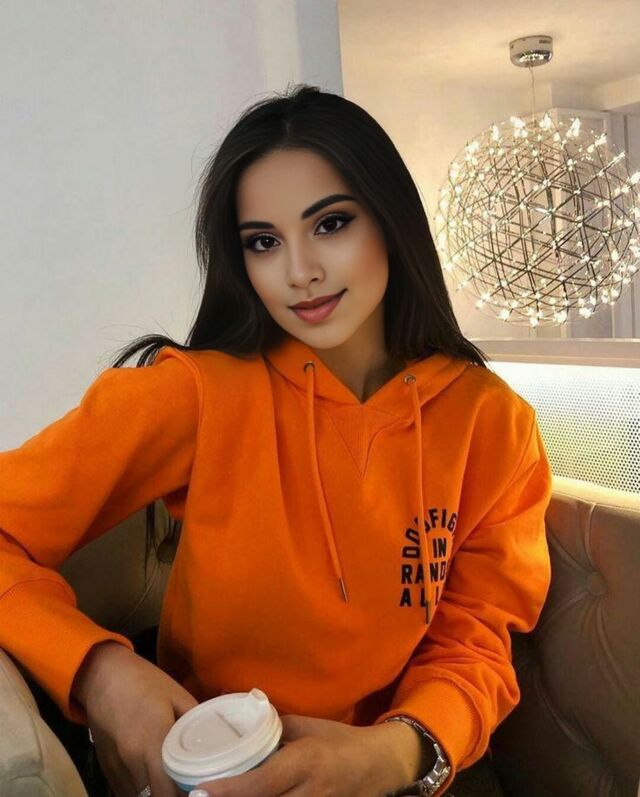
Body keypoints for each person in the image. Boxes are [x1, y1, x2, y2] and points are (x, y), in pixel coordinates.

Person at [0, 84, 553, 797]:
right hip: (206, 771)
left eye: (331, 224)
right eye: (263, 241)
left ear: (391, 221)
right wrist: (100, 672)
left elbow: (475, 640)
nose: (299, 272)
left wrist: (395, 753)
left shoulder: (494, 424)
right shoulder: (196, 393)